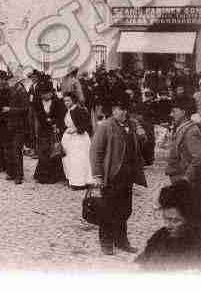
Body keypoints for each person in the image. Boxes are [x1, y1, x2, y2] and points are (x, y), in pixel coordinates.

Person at [90, 97, 147, 255]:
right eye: (117, 109)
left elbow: (141, 146)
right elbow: (95, 152)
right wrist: (97, 175)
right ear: (112, 110)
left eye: (123, 109)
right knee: (108, 209)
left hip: (128, 175)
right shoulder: (105, 126)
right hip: (112, 175)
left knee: (125, 209)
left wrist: (142, 136)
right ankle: (106, 241)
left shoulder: (132, 125)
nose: (121, 112)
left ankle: (121, 240)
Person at [135, 181, 201, 271]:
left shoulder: (196, 247)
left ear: (190, 220)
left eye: (176, 221)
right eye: (166, 219)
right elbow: (140, 264)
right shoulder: (160, 237)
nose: (168, 225)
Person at [0, 70, 29, 185]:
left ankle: (19, 175)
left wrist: (10, 110)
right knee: (9, 150)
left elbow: (26, 109)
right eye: (8, 80)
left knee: (16, 150)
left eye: (11, 79)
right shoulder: (8, 90)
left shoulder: (21, 91)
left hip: (19, 125)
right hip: (8, 125)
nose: (8, 82)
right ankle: (11, 172)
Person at [33, 80, 67, 185]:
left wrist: (55, 123)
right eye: (42, 94)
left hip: (54, 130)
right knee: (43, 152)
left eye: (46, 94)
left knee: (54, 152)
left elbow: (61, 116)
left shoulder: (58, 101)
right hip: (43, 129)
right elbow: (38, 115)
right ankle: (42, 176)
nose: (44, 96)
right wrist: (45, 120)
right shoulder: (37, 102)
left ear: (51, 93)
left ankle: (54, 176)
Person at [165, 96, 201, 185]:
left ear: (183, 112)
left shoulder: (191, 131)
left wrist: (186, 178)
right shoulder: (182, 128)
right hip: (178, 179)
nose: (171, 114)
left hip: (186, 182)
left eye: (174, 111)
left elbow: (198, 158)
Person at [61, 92, 93, 190]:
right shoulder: (68, 111)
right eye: (65, 101)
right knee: (70, 160)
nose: (66, 103)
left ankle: (81, 181)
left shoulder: (79, 110)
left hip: (79, 138)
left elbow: (87, 124)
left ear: (73, 100)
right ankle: (73, 179)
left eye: (68, 101)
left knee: (79, 159)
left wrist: (76, 129)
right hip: (70, 138)